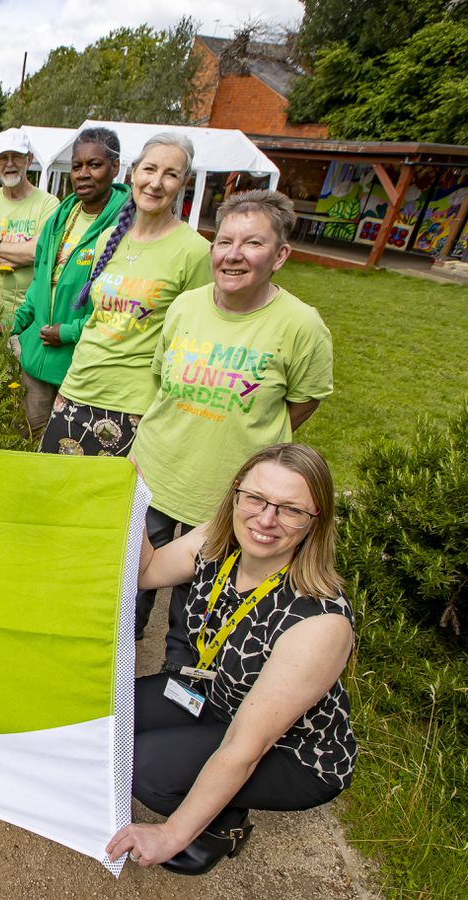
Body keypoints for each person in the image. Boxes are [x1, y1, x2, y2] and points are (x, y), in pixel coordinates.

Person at [107, 443, 355, 875]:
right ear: (236, 494)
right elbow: (147, 572)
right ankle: (206, 788)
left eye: (290, 510)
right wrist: (134, 500)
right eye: (256, 498)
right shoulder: (218, 540)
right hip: (215, 698)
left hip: (292, 750)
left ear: (317, 520)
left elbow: (246, 745)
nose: (265, 519)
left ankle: (221, 826)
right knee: (111, 709)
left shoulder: (320, 622)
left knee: (145, 768)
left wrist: (171, 834)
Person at [131, 189, 333, 658]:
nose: (233, 255)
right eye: (224, 242)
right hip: (154, 476)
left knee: (197, 614)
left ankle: (178, 697)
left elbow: (302, 403)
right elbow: (162, 380)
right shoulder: (185, 307)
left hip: (230, 498)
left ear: (281, 254)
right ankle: (119, 695)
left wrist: (243, 441)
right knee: (128, 593)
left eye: (253, 243)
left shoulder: (301, 326)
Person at [40, 132, 211, 456]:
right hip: (77, 388)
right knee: (51, 493)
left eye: (170, 174)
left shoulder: (195, 252)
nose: (156, 183)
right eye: (149, 169)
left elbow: (192, 341)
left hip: (133, 404)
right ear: (133, 172)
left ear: (183, 182)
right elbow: (97, 318)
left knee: (107, 502)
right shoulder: (108, 239)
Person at [4, 127, 129, 436]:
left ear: (115, 168)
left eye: (95, 165)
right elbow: (41, 284)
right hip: (37, 359)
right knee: (27, 438)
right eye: (77, 166)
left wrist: (70, 332)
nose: (83, 174)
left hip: (79, 368)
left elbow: (122, 308)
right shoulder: (60, 219)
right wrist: (17, 321)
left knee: (67, 446)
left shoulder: (126, 227)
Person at [0, 128, 59, 325]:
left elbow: (36, 253)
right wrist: (16, 260)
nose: (9, 164)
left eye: (16, 156)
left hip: (22, 320)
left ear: (29, 159)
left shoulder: (48, 204)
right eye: (2, 158)